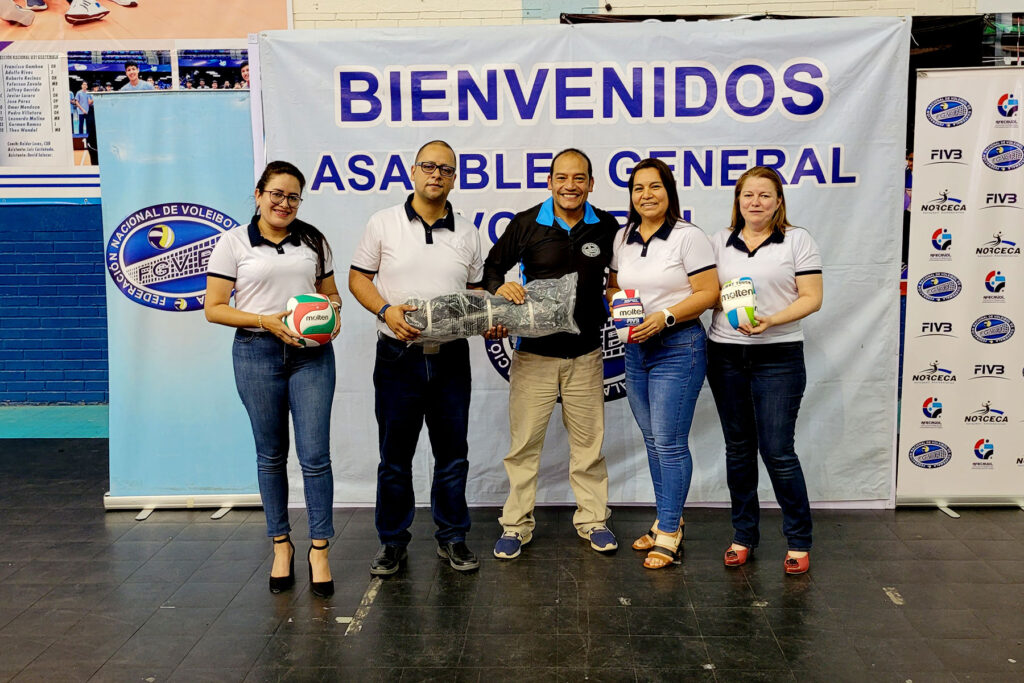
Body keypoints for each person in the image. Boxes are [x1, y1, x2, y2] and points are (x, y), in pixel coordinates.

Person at [205, 161, 341, 597]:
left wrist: (333, 315)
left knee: (315, 455)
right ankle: (281, 545)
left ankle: (319, 550)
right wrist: (266, 321)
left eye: (293, 196)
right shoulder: (233, 243)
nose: (284, 203)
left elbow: (331, 294)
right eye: (276, 194)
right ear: (259, 194)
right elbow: (214, 308)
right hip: (256, 352)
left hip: (311, 354)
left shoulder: (313, 240)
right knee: (270, 455)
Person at [349, 140, 485, 575]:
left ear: (454, 178)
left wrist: (493, 313)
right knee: (395, 457)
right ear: (412, 171)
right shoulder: (383, 223)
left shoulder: (468, 232)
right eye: (428, 166)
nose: (436, 175)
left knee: (453, 455)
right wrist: (386, 310)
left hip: (451, 358)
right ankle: (392, 541)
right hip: (397, 357)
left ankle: (453, 537)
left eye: (446, 169)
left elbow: (476, 292)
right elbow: (358, 278)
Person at [484, 148, 620, 559]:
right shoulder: (526, 223)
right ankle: (515, 525)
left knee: (589, 447)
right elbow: (491, 270)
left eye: (579, 178)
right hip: (534, 356)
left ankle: (593, 520)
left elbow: (619, 279)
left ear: (591, 184)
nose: (570, 186)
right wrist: (500, 289)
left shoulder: (607, 226)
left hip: (586, 354)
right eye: (562, 177)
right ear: (549, 182)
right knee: (524, 446)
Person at [705, 166, 823, 576]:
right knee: (738, 449)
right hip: (725, 354)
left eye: (764, 195)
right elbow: (707, 293)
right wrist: (722, 302)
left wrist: (771, 320)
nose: (755, 202)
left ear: (778, 202)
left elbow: (812, 297)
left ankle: (799, 539)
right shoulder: (719, 241)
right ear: (738, 200)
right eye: (748, 195)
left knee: (778, 450)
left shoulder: (797, 240)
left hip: (778, 355)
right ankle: (743, 535)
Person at [605, 158, 718, 569]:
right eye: (638, 188)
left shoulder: (689, 236)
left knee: (669, 442)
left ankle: (669, 531)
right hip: (636, 348)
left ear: (669, 191)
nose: (646, 195)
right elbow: (613, 285)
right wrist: (621, 308)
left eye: (655, 186)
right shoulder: (623, 237)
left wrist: (665, 316)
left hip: (678, 346)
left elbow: (708, 293)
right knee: (653, 440)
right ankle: (666, 519)